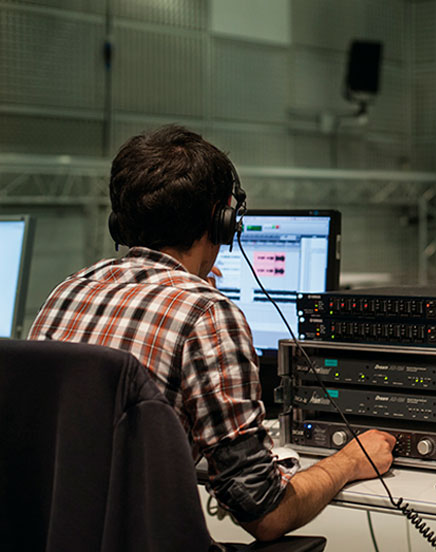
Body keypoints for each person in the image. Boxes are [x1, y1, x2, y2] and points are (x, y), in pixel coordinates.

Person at [28, 125, 396, 541]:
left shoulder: (68, 290)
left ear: (120, 221)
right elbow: (264, 513)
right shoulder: (207, 314)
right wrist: (348, 461)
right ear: (222, 220)